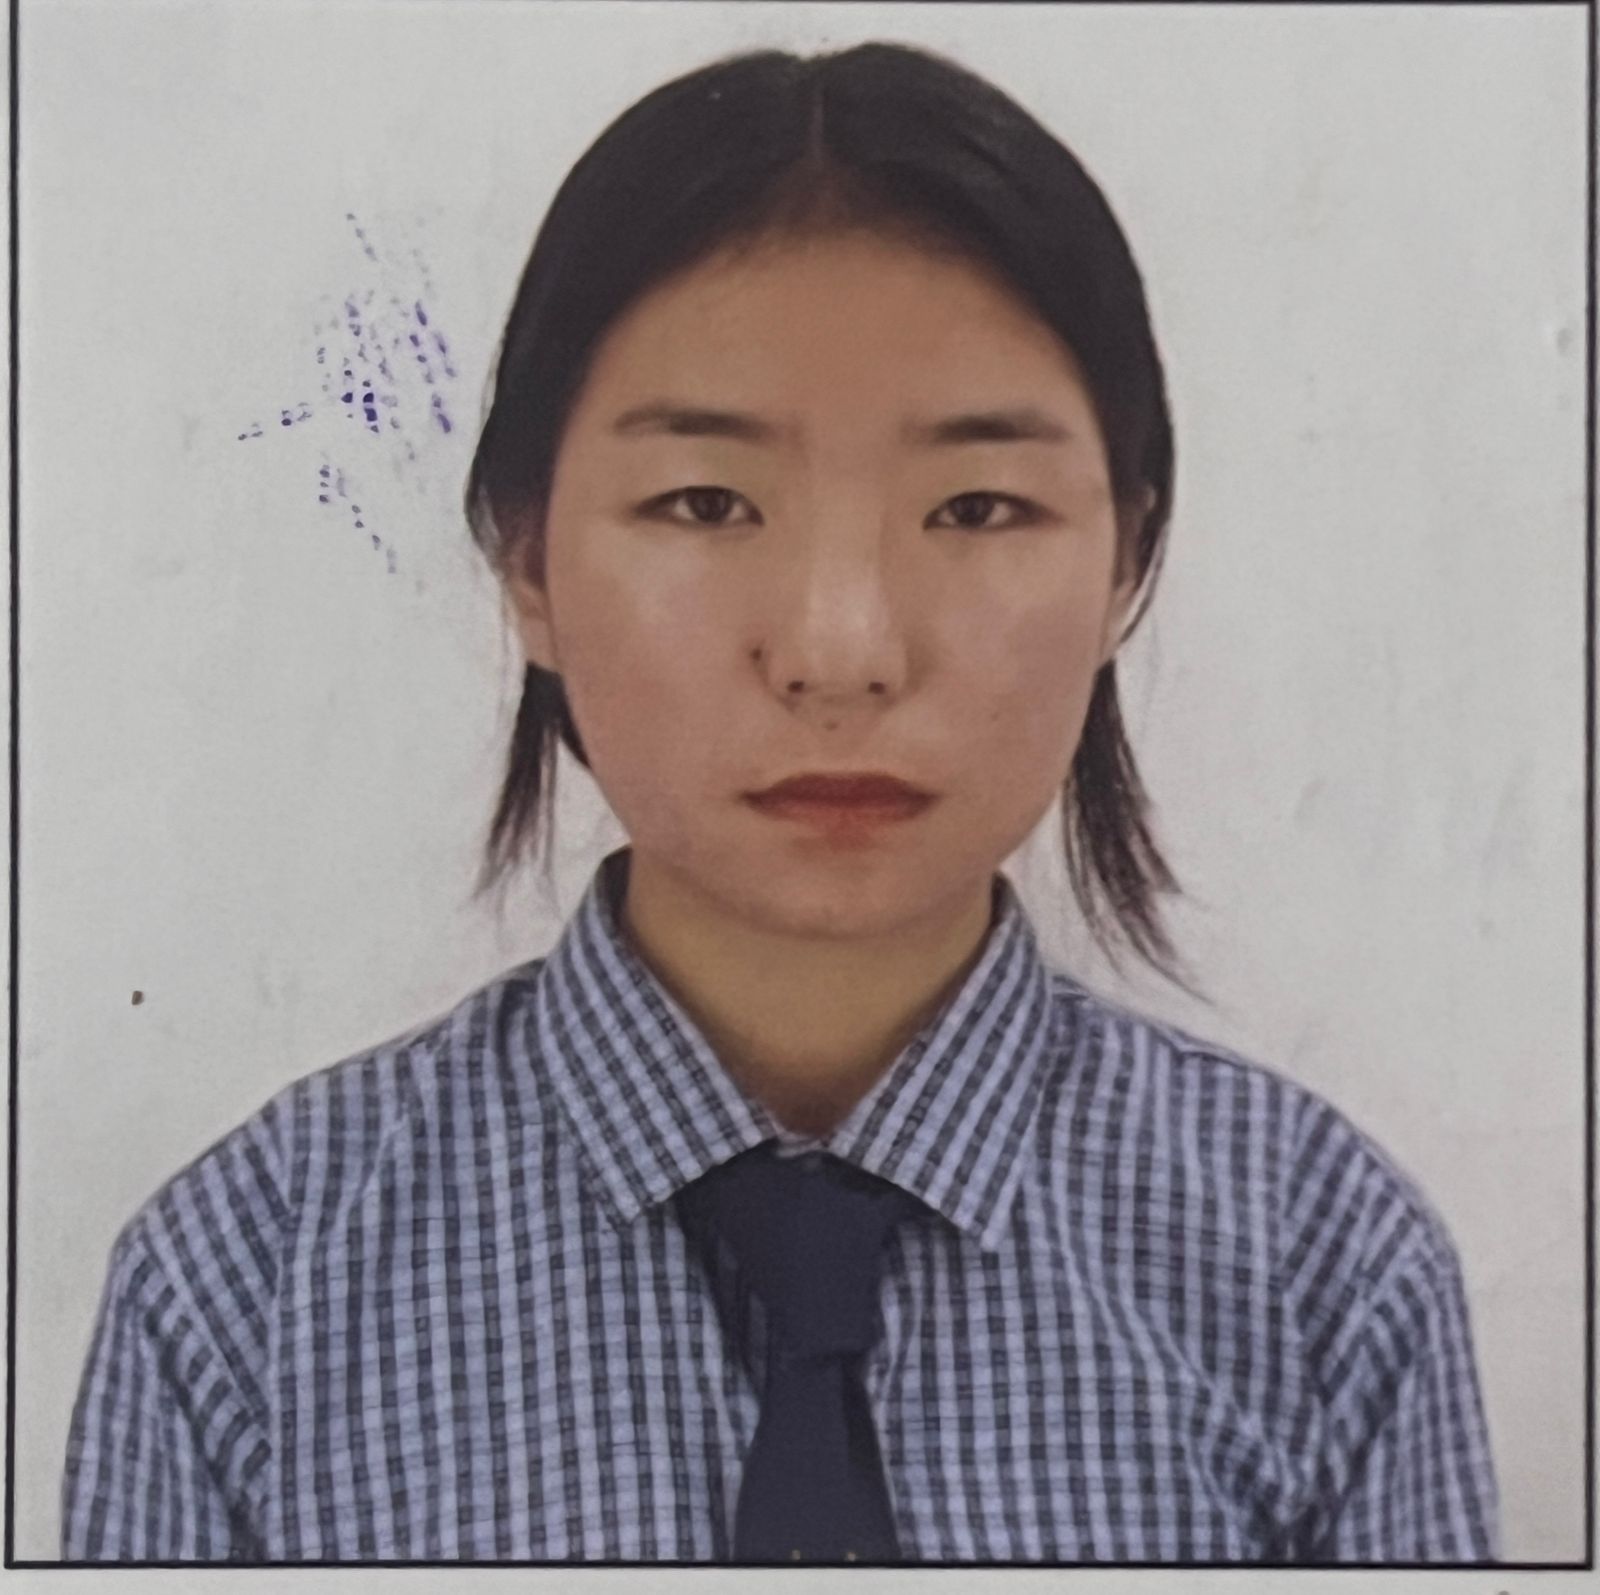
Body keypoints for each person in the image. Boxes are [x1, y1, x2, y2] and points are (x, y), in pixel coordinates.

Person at [61, 39, 1499, 1563]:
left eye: (976, 507)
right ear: (528, 562)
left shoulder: (1324, 1277)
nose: (841, 651)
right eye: (707, 503)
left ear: (1127, 567)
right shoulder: (244, 1298)